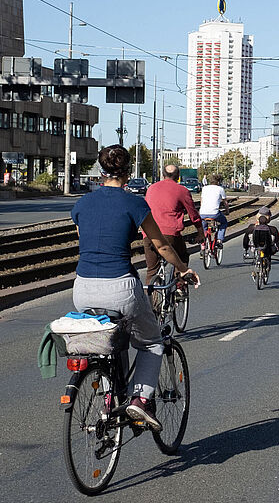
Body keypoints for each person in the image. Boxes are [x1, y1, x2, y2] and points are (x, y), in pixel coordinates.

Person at [71, 145, 199, 432]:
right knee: (152, 342)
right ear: (128, 173)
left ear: (101, 173)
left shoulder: (82, 204)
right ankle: (140, 400)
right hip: (120, 287)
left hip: (82, 288)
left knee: (107, 344)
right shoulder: (134, 203)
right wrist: (182, 269)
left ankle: (109, 400)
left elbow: (85, 238)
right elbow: (161, 245)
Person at [143, 164, 204, 288]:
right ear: (178, 176)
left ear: (162, 175)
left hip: (149, 235)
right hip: (170, 234)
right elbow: (193, 214)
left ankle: (149, 298)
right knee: (182, 258)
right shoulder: (182, 190)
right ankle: (180, 287)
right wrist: (200, 232)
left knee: (151, 270)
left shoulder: (151, 188)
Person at [199, 173, 229, 248]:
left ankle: (203, 244)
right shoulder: (220, 189)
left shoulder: (204, 188)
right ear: (218, 182)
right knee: (224, 222)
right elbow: (225, 202)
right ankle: (219, 240)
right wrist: (227, 211)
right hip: (214, 213)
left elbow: (201, 201)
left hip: (202, 213)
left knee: (203, 225)